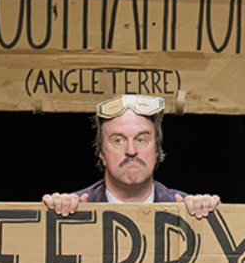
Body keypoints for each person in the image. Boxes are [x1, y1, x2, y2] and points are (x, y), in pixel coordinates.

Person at [42, 94, 222, 219]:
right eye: (118, 140)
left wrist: (208, 216)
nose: (131, 150)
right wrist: (54, 214)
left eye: (141, 139)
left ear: (156, 151)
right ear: (102, 154)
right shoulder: (78, 207)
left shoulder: (183, 207)